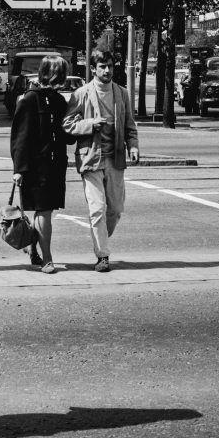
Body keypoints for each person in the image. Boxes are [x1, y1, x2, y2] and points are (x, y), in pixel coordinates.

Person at [63, 49, 139, 272]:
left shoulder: (122, 93)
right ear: (93, 69)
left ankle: (101, 239)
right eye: (102, 66)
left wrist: (133, 146)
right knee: (97, 209)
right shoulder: (81, 94)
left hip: (115, 158)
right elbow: (67, 124)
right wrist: (89, 124)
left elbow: (130, 126)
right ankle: (102, 255)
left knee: (114, 210)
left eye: (110, 66)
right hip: (91, 158)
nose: (107, 70)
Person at [10, 54, 70, 274]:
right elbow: (20, 137)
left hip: (55, 165)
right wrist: (19, 169)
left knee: (44, 212)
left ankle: (34, 249)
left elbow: (66, 135)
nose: (63, 79)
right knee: (43, 212)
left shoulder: (58, 100)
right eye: (61, 73)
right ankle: (47, 258)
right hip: (36, 167)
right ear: (52, 74)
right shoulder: (29, 99)